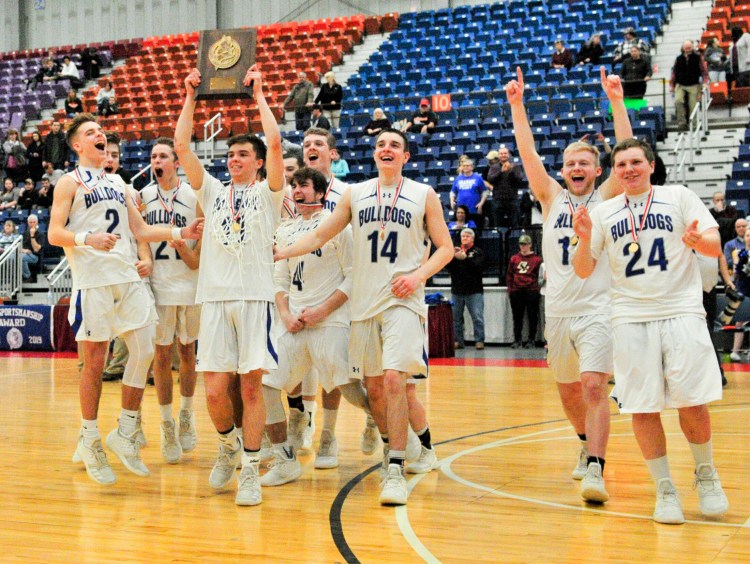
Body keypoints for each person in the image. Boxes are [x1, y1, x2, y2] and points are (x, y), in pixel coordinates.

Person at [275, 128, 454, 506]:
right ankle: (411, 447)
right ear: (373, 154)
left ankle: (394, 467)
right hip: (363, 307)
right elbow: (319, 236)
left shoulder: (424, 194)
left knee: (394, 379)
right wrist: (279, 252)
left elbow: (446, 248)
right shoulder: (356, 194)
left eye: (394, 145)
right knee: (375, 390)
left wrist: (417, 276)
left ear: (406, 157)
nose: (385, 149)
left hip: (402, 302)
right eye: (380, 145)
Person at [572, 138, 729, 525]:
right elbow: (583, 269)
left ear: (652, 165)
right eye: (621, 164)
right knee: (643, 407)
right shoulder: (605, 212)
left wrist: (697, 242)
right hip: (629, 317)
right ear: (614, 171)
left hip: (681, 312)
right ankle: (664, 488)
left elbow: (714, 245)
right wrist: (582, 238)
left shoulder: (678, 196)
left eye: (636, 162)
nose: (629, 169)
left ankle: (706, 475)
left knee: (692, 401)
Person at [47, 113, 203, 486]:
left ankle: (125, 430)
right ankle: (89, 438)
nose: (99, 135)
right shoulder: (68, 183)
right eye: (90, 133)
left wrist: (181, 230)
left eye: (100, 131)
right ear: (77, 145)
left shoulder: (117, 181)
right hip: (95, 280)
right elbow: (54, 233)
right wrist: (88, 240)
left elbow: (141, 230)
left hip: (127, 276)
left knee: (147, 345)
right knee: (95, 363)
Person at [507, 65, 633, 503]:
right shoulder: (552, 197)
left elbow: (624, 149)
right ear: (563, 171)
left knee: (595, 386)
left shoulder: (609, 197)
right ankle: (584, 443)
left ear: (598, 172)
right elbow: (527, 155)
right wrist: (517, 106)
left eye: (584, 163)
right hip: (557, 309)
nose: (576, 167)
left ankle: (597, 467)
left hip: (599, 308)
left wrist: (617, 100)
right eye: (570, 163)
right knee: (567, 390)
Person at [175, 65, 284, 506]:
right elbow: (181, 144)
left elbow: (275, 141)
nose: (234, 159)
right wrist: (190, 96)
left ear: (257, 163)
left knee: (252, 387)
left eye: (243, 154)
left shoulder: (269, 193)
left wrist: (258, 94)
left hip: (255, 298)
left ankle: (252, 470)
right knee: (216, 390)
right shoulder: (214, 192)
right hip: (215, 298)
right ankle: (227, 446)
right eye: (231, 154)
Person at [262, 166, 379, 485]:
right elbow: (279, 278)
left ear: (322, 192)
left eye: (303, 186)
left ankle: (376, 419)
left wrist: (322, 310)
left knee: (351, 390)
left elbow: (355, 277)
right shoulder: (285, 229)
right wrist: (285, 313)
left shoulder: (337, 227)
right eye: (293, 185)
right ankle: (285, 459)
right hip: (293, 321)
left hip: (330, 321)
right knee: (266, 384)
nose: (296, 191)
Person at [140, 137, 202, 463]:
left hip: (189, 285)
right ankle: (166, 423)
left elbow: (200, 253)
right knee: (161, 357)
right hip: (159, 286)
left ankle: (187, 414)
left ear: (176, 162)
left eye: (163, 155)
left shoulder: (193, 196)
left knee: (188, 352)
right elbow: (138, 239)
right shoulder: (143, 198)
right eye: (153, 156)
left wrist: (186, 250)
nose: (157, 160)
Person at [448, 227, 485, 350]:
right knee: (456, 318)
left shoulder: (478, 252)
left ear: (473, 238)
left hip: (474, 290)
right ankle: (458, 341)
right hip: (457, 290)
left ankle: (479, 340)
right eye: (463, 236)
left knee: (477, 317)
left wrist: (465, 259)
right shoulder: (456, 251)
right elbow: (449, 269)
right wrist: (452, 257)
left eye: (467, 236)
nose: (465, 238)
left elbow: (479, 268)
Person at [506, 234, 542, 349]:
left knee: (532, 316)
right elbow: (509, 275)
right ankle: (517, 340)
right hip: (517, 291)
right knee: (517, 317)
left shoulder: (537, 259)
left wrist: (536, 288)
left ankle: (531, 340)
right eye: (521, 244)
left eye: (525, 244)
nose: (523, 246)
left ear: (530, 245)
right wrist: (511, 290)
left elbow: (539, 276)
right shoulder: (514, 258)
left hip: (531, 291)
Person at [670, 40, 709, 131]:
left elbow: (704, 72)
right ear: (683, 48)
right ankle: (682, 123)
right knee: (678, 101)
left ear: (692, 47)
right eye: (686, 48)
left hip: (693, 84)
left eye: (689, 47)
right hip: (680, 84)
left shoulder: (698, 57)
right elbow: (674, 73)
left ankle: (694, 125)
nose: (688, 50)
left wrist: (705, 82)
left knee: (693, 105)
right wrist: (672, 85)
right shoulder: (678, 58)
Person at [483, 148, 525, 228]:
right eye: (501, 154)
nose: (503, 155)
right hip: (498, 199)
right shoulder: (494, 167)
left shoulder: (515, 166)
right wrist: (501, 172)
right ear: (498, 155)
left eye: (505, 153)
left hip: (512, 199)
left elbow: (519, 180)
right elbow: (490, 179)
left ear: (508, 155)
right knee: (498, 225)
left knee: (514, 225)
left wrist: (511, 171)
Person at [450, 158, 488, 227]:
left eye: (467, 165)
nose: (465, 167)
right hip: (461, 211)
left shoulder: (477, 178)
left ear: (472, 167)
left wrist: (481, 203)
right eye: (463, 166)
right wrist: (452, 201)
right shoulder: (458, 178)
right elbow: (452, 192)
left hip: (474, 209)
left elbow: (484, 192)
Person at [21, 214, 44, 282]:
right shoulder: (24, 234)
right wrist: (24, 250)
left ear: (37, 223)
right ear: (28, 223)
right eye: (30, 222)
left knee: (21, 257)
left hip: (35, 256)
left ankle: (28, 276)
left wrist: (32, 236)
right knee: (13, 256)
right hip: (25, 254)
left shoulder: (41, 234)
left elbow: (36, 249)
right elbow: (19, 247)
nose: (32, 224)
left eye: (34, 222)